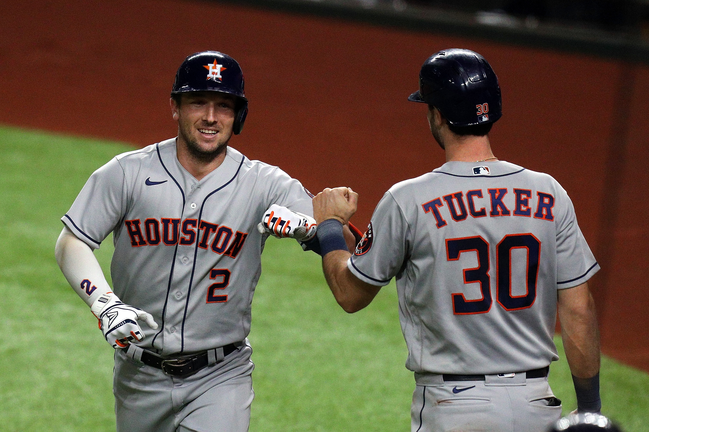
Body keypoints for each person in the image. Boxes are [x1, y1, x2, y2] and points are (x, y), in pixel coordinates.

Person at [312, 48, 603, 431]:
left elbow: (350, 294)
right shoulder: (548, 192)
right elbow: (579, 310)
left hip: (455, 407)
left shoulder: (408, 199)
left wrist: (330, 228)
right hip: (538, 404)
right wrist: (589, 410)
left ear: (436, 114)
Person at [54, 50, 326, 432]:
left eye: (224, 106)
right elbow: (72, 242)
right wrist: (104, 303)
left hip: (221, 376)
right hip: (137, 376)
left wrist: (310, 229)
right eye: (198, 102)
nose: (211, 117)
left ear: (238, 115)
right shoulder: (127, 172)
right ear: (175, 107)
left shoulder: (266, 184)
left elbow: (344, 244)